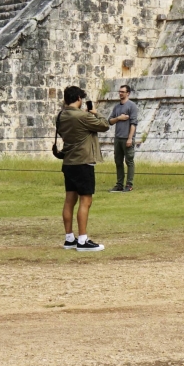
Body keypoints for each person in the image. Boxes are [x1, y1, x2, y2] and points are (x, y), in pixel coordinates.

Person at [55, 85, 108, 251]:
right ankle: (83, 240)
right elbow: (104, 125)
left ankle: (69, 238)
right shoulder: (83, 116)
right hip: (83, 161)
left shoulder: (60, 116)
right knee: (86, 200)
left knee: (69, 200)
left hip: (69, 162)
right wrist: (95, 112)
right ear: (79, 98)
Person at [109, 83, 140, 193]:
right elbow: (110, 121)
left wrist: (130, 138)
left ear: (128, 93)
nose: (120, 93)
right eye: (120, 91)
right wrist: (119, 118)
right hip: (118, 138)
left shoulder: (132, 106)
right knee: (118, 161)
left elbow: (133, 124)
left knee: (129, 161)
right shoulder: (117, 107)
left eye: (122, 92)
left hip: (127, 138)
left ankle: (129, 184)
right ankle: (119, 184)